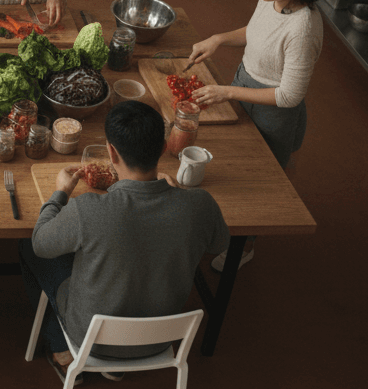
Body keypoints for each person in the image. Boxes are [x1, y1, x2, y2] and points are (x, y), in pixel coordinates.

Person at [20, 101, 229, 384]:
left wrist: (60, 194)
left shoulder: (88, 209)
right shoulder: (201, 205)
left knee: (28, 248)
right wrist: (179, 197)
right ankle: (114, 367)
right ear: (165, 147)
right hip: (160, 341)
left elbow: (40, 243)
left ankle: (61, 350)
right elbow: (219, 245)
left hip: (93, 339)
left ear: (111, 152)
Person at [186, 0, 327, 271]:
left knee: (259, 178)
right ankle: (222, 226)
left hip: (274, 109)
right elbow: (256, 31)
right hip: (244, 82)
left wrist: (228, 92)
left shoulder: (303, 28)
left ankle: (245, 244)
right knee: (233, 159)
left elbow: (289, 94)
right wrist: (219, 38)